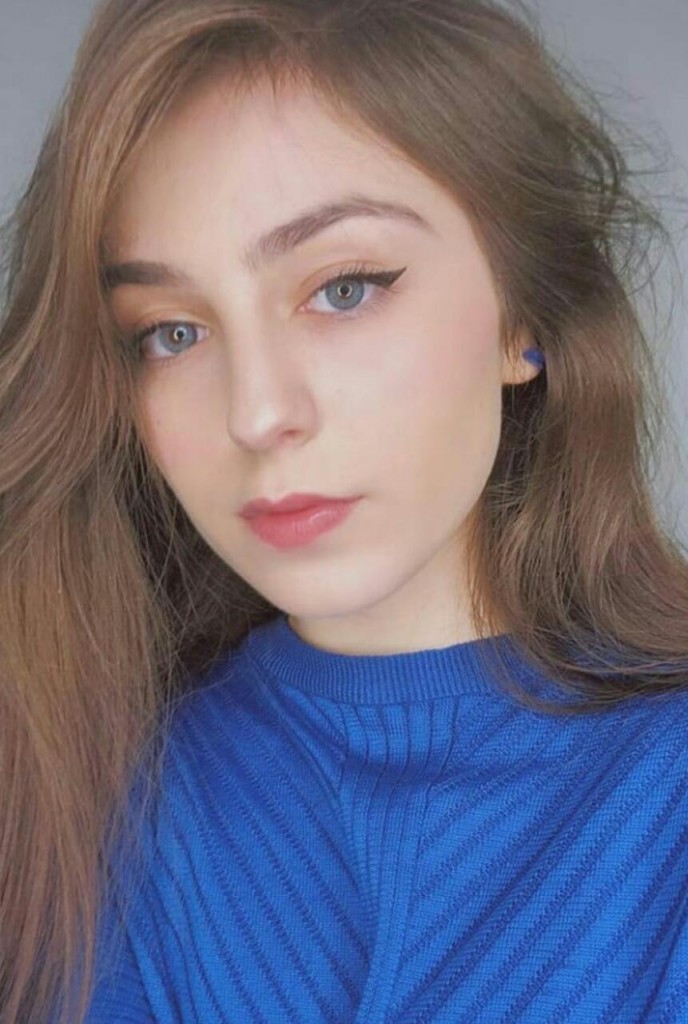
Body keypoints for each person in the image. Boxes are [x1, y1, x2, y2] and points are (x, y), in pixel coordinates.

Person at [1, 0, 687, 1021]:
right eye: (172, 333)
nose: (258, 413)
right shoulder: (85, 796)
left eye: (345, 289)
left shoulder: (664, 791)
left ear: (525, 318)